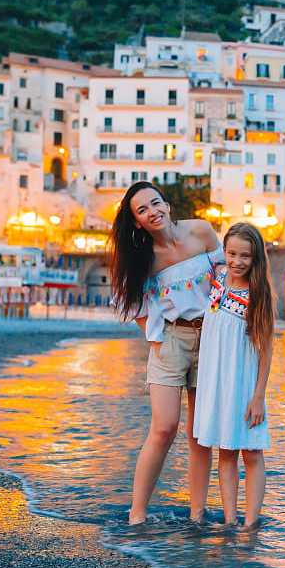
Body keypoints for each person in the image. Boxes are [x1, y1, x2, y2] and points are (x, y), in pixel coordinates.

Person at [109, 181, 223, 524]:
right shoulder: (142, 257)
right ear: (137, 221)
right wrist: (155, 338)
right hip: (169, 340)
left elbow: (225, 277)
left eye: (155, 203)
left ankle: (197, 513)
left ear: (167, 205)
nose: (152, 212)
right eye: (142, 210)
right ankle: (137, 514)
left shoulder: (201, 231)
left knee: (199, 433)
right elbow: (130, 305)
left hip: (211, 338)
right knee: (164, 427)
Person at [193, 222, 275, 528]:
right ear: (223, 251)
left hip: (244, 383)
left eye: (245, 256)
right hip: (218, 382)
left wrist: (258, 397)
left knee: (252, 453)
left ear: (256, 258)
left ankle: (250, 525)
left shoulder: (258, 294)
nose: (237, 261)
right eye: (231, 253)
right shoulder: (216, 278)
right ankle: (230, 522)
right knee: (225, 452)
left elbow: (266, 350)